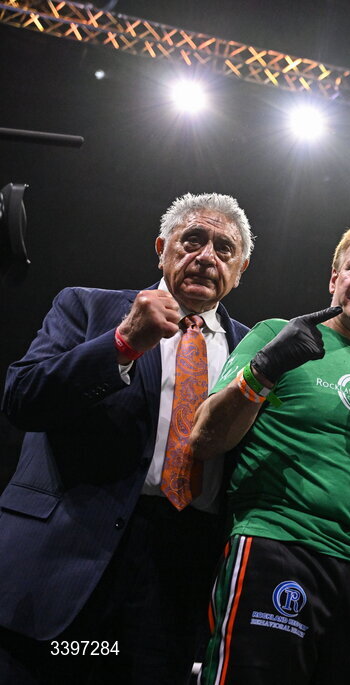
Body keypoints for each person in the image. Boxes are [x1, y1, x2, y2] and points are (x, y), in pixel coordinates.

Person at [0, 192, 252, 683]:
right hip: (68, 554)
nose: (206, 257)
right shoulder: (86, 307)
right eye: (192, 240)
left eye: (224, 249)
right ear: (162, 248)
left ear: (240, 268)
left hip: (178, 570)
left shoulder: (253, 350)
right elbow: (22, 398)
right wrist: (121, 344)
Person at [188, 218, 350, 684]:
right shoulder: (277, 333)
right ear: (333, 279)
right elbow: (205, 438)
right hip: (275, 546)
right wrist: (265, 368)